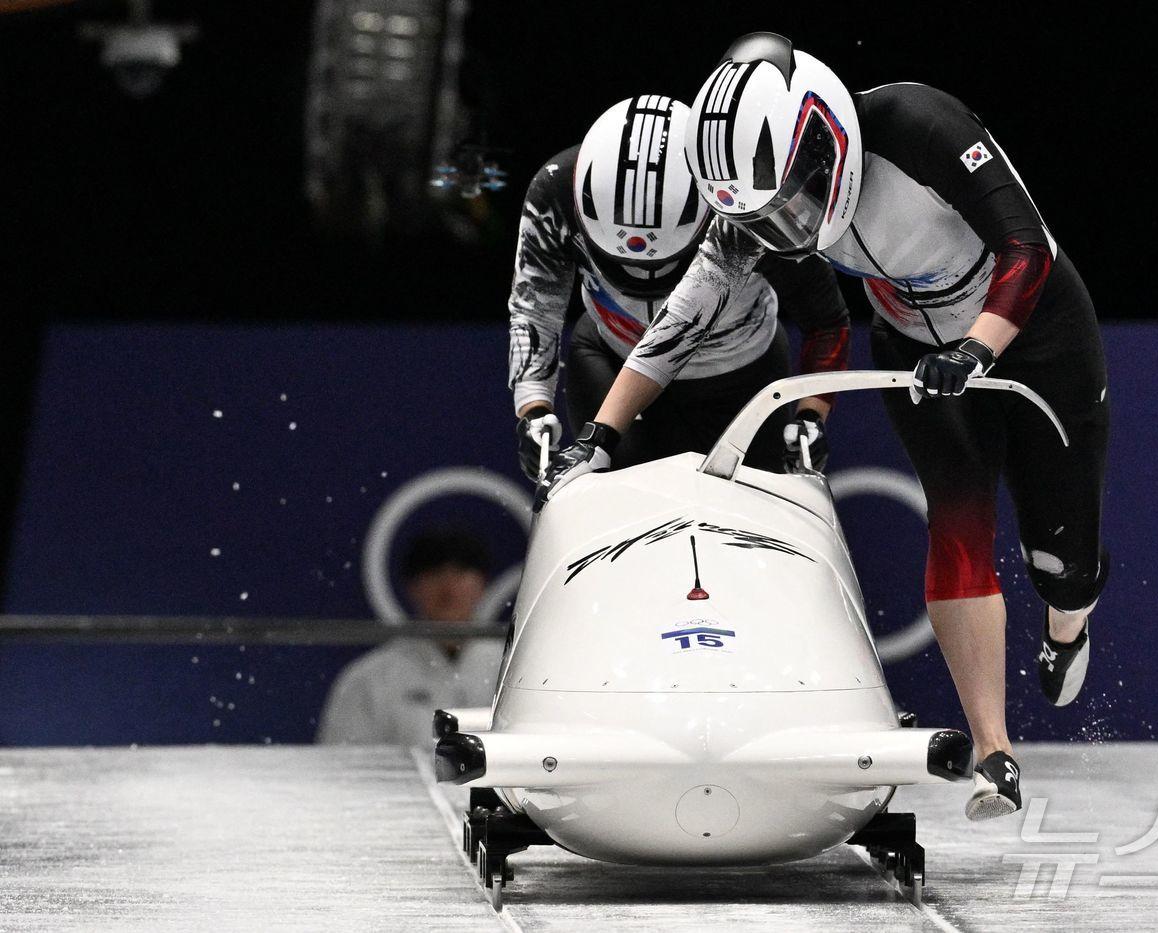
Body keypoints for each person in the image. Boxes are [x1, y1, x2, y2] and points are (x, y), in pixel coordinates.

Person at [540, 34, 1109, 821]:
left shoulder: (919, 123)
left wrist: (979, 345)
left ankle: (1068, 622)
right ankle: (994, 751)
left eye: (795, 201)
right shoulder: (756, 212)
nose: (790, 227)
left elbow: (1023, 245)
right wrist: (599, 432)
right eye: (765, 216)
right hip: (916, 342)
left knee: (1061, 556)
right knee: (957, 520)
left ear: (825, 135)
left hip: (1035, 324)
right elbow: (678, 320)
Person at [508, 93, 850, 482]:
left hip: (742, 377)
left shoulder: (753, 208)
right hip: (609, 358)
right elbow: (536, 306)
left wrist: (811, 413)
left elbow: (826, 321)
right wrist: (532, 407)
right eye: (624, 264)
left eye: (666, 264)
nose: (645, 276)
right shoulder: (553, 193)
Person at [317, 531, 502, 746]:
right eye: (435, 573)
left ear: (483, 584)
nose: (449, 588)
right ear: (412, 587)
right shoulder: (370, 679)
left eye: (461, 573)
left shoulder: (515, 670)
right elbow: (344, 768)